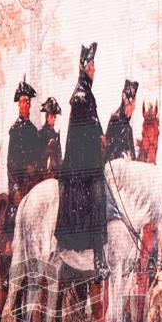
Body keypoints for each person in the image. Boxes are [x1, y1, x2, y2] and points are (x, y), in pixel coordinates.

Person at [55, 42, 108, 275]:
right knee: (97, 196)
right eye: (92, 65)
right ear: (85, 67)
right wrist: (98, 139)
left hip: (87, 161)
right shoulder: (81, 96)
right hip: (81, 166)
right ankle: (98, 256)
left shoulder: (87, 95)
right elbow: (83, 133)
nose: (95, 69)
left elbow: (92, 127)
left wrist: (101, 138)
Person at [8, 80, 40, 201]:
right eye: (21, 102)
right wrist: (15, 188)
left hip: (33, 182)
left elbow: (38, 156)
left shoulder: (33, 130)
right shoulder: (14, 130)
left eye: (26, 102)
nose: (24, 105)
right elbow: (11, 163)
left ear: (29, 105)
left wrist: (34, 166)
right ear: (19, 105)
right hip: (19, 184)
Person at [105, 79, 138, 161]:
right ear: (127, 103)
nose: (134, 107)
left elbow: (132, 158)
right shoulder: (116, 121)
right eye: (133, 103)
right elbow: (111, 156)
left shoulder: (128, 127)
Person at [38, 96, 63, 179]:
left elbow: (58, 156)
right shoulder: (41, 133)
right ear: (47, 118)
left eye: (54, 117)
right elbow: (41, 156)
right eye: (51, 117)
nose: (53, 119)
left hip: (54, 173)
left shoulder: (55, 134)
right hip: (45, 173)